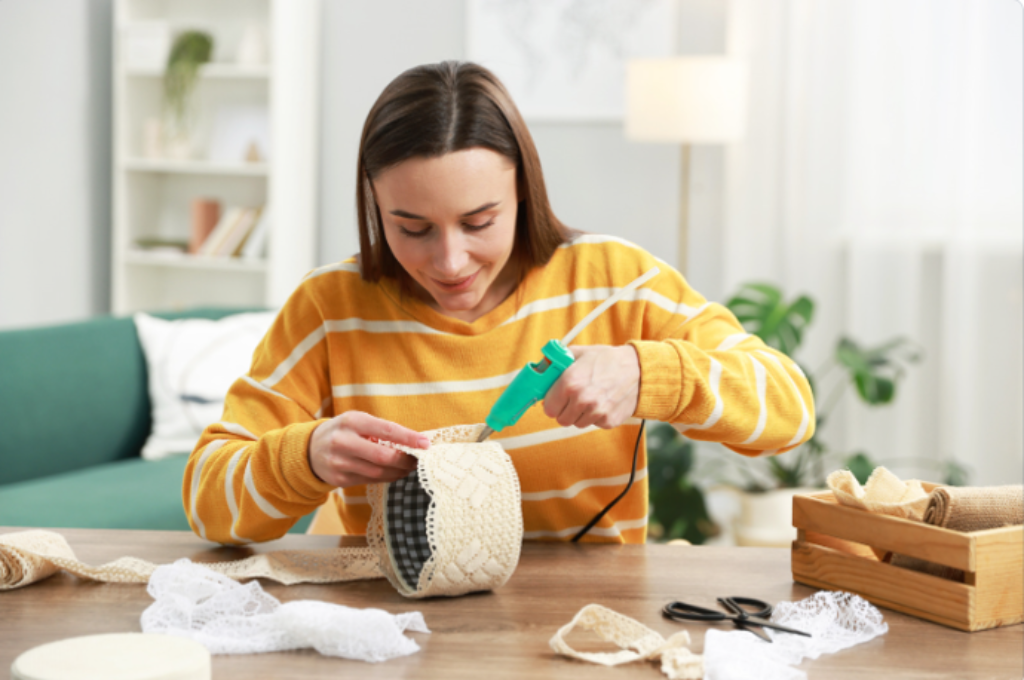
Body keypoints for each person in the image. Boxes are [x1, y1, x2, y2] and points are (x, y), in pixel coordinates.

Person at [184, 61, 814, 545]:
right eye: (412, 228)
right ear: (375, 209)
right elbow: (208, 500)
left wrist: (652, 374)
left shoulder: (616, 280)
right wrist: (306, 457)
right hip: (387, 624)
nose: (450, 263)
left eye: (479, 221)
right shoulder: (329, 307)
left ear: (523, 193)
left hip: (578, 628)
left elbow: (788, 412)